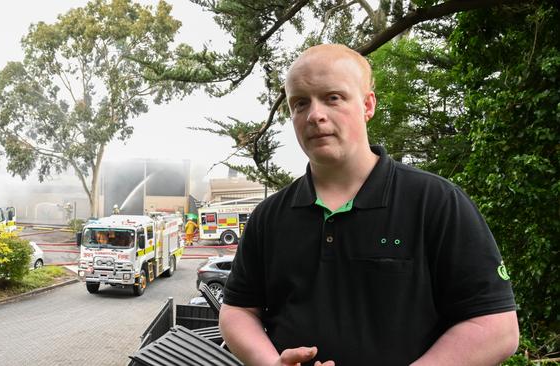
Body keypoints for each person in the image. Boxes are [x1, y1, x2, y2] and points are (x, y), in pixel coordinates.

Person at [219, 44, 519, 366]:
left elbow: (496, 328)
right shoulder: (269, 217)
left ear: (368, 105)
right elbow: (237, 311)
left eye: (333, 97)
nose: (315, 115)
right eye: (300, 103)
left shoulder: (436, 202)